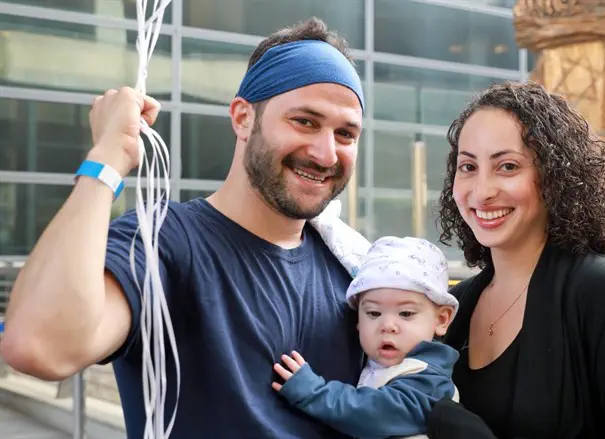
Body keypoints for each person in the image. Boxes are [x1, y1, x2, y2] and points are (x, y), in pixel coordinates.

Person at [1, 18, 372, 439]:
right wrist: (108, 157)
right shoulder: (164, 241)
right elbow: (38, 347)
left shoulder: (359, 272)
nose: (326, 154)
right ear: (243, 118)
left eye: (345, 133)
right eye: (305, 121)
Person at [424, 81, 605, 439]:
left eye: (508, 166)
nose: (481, 191)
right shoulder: (453, 305)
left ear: (555, 177)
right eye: (468, 167)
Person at [271, 236, 460, 439]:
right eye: (373, 313)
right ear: (357, 320)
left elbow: (377, 414)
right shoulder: (369, 365)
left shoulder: (430, 380)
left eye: (406, 313)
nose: (387, 326)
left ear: (441, 319)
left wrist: (314, 392)